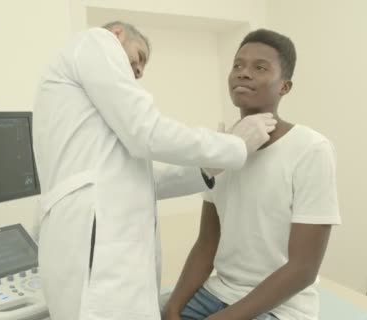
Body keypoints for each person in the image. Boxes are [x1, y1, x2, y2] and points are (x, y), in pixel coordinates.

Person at [31, 21, 277, 320]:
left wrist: (206, 168)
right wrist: (234, 146)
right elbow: (148, 132)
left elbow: (143, 180)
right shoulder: (96, 41)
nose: (140, 71)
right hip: (94, 238)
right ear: (119, 33)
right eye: (140, 56)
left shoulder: (98, 129)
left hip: (95, 236)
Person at [162, 29, 342, 320]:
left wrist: (224, 318)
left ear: (285, 87)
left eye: (260, 67)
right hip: (217, 292)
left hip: (282, 307)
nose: (243, 73)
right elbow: (206, 244)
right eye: (238, 65)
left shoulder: (311, 149)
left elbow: (303, 269)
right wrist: (172, 309)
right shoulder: (219, 149)